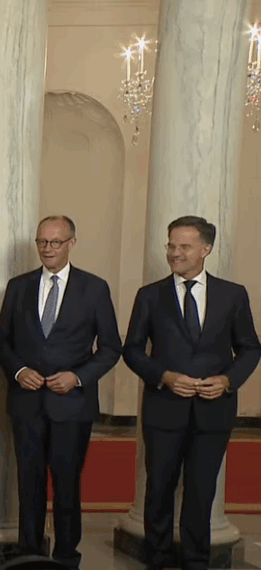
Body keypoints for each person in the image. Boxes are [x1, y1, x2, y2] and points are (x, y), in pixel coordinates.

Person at [123, 215, 260, 570]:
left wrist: (228, 381)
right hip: (164, 409)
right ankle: (158, 559)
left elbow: (249, 348)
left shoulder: (233, 294)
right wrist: (164, 375)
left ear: (206, 249)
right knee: (159, 491)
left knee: (201, 494)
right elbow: (133, 350)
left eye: (183, 246)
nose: (174, 253)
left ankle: (196, 562)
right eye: (171, 245)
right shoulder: (150, 295)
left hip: (213, 412)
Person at [0, 215, 122, 569]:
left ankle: (67, 556)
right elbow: (2, 342)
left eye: (55, 242)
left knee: (66, 485)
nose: (47, 249)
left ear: (71, 244)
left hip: (72, 405)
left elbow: (111, 348)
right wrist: (18, 371)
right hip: (27, 404)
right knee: (29, 484)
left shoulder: (94, 288)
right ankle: (30, 554)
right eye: (42, 242)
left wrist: (77, 378)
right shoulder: (18, 286)